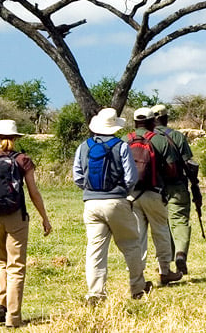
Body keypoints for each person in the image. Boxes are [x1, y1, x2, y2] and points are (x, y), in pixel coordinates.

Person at [0, 119, 53, 328]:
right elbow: (33, 192)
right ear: (16, 138)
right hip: (16, 215)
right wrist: (44, 217)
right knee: (16, 266)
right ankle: (13, 317)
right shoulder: (22, 160)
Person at [73, 107, 150, 304]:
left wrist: (90, 190)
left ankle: (95, 294)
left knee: (95, 250)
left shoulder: (84, 146)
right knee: (131, 245)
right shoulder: (121, 146)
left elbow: (77, 177)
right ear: (114, 127)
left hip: (91, 203)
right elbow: (131, 176)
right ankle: (138, 288)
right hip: (116, 201)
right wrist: (122, 192)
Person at [127, 107, 183, 287]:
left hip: (131, 195)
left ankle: (137, 276)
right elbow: (172, 170)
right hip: (154, 192)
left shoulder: (124, 140)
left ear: (135, 123)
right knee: (161, 232)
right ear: (152, 122)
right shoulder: (159, 140)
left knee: (138, 236)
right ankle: (164, 271)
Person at [151, 104, 201, 275]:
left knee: (161, 225)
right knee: (179, 221)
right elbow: (189, 163)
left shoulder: (148, 138)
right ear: (166, 118)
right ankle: (180, 253)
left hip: (154, 189)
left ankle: (165, 265)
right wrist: (195, 187)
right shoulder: (177, 136)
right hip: (177, 186)